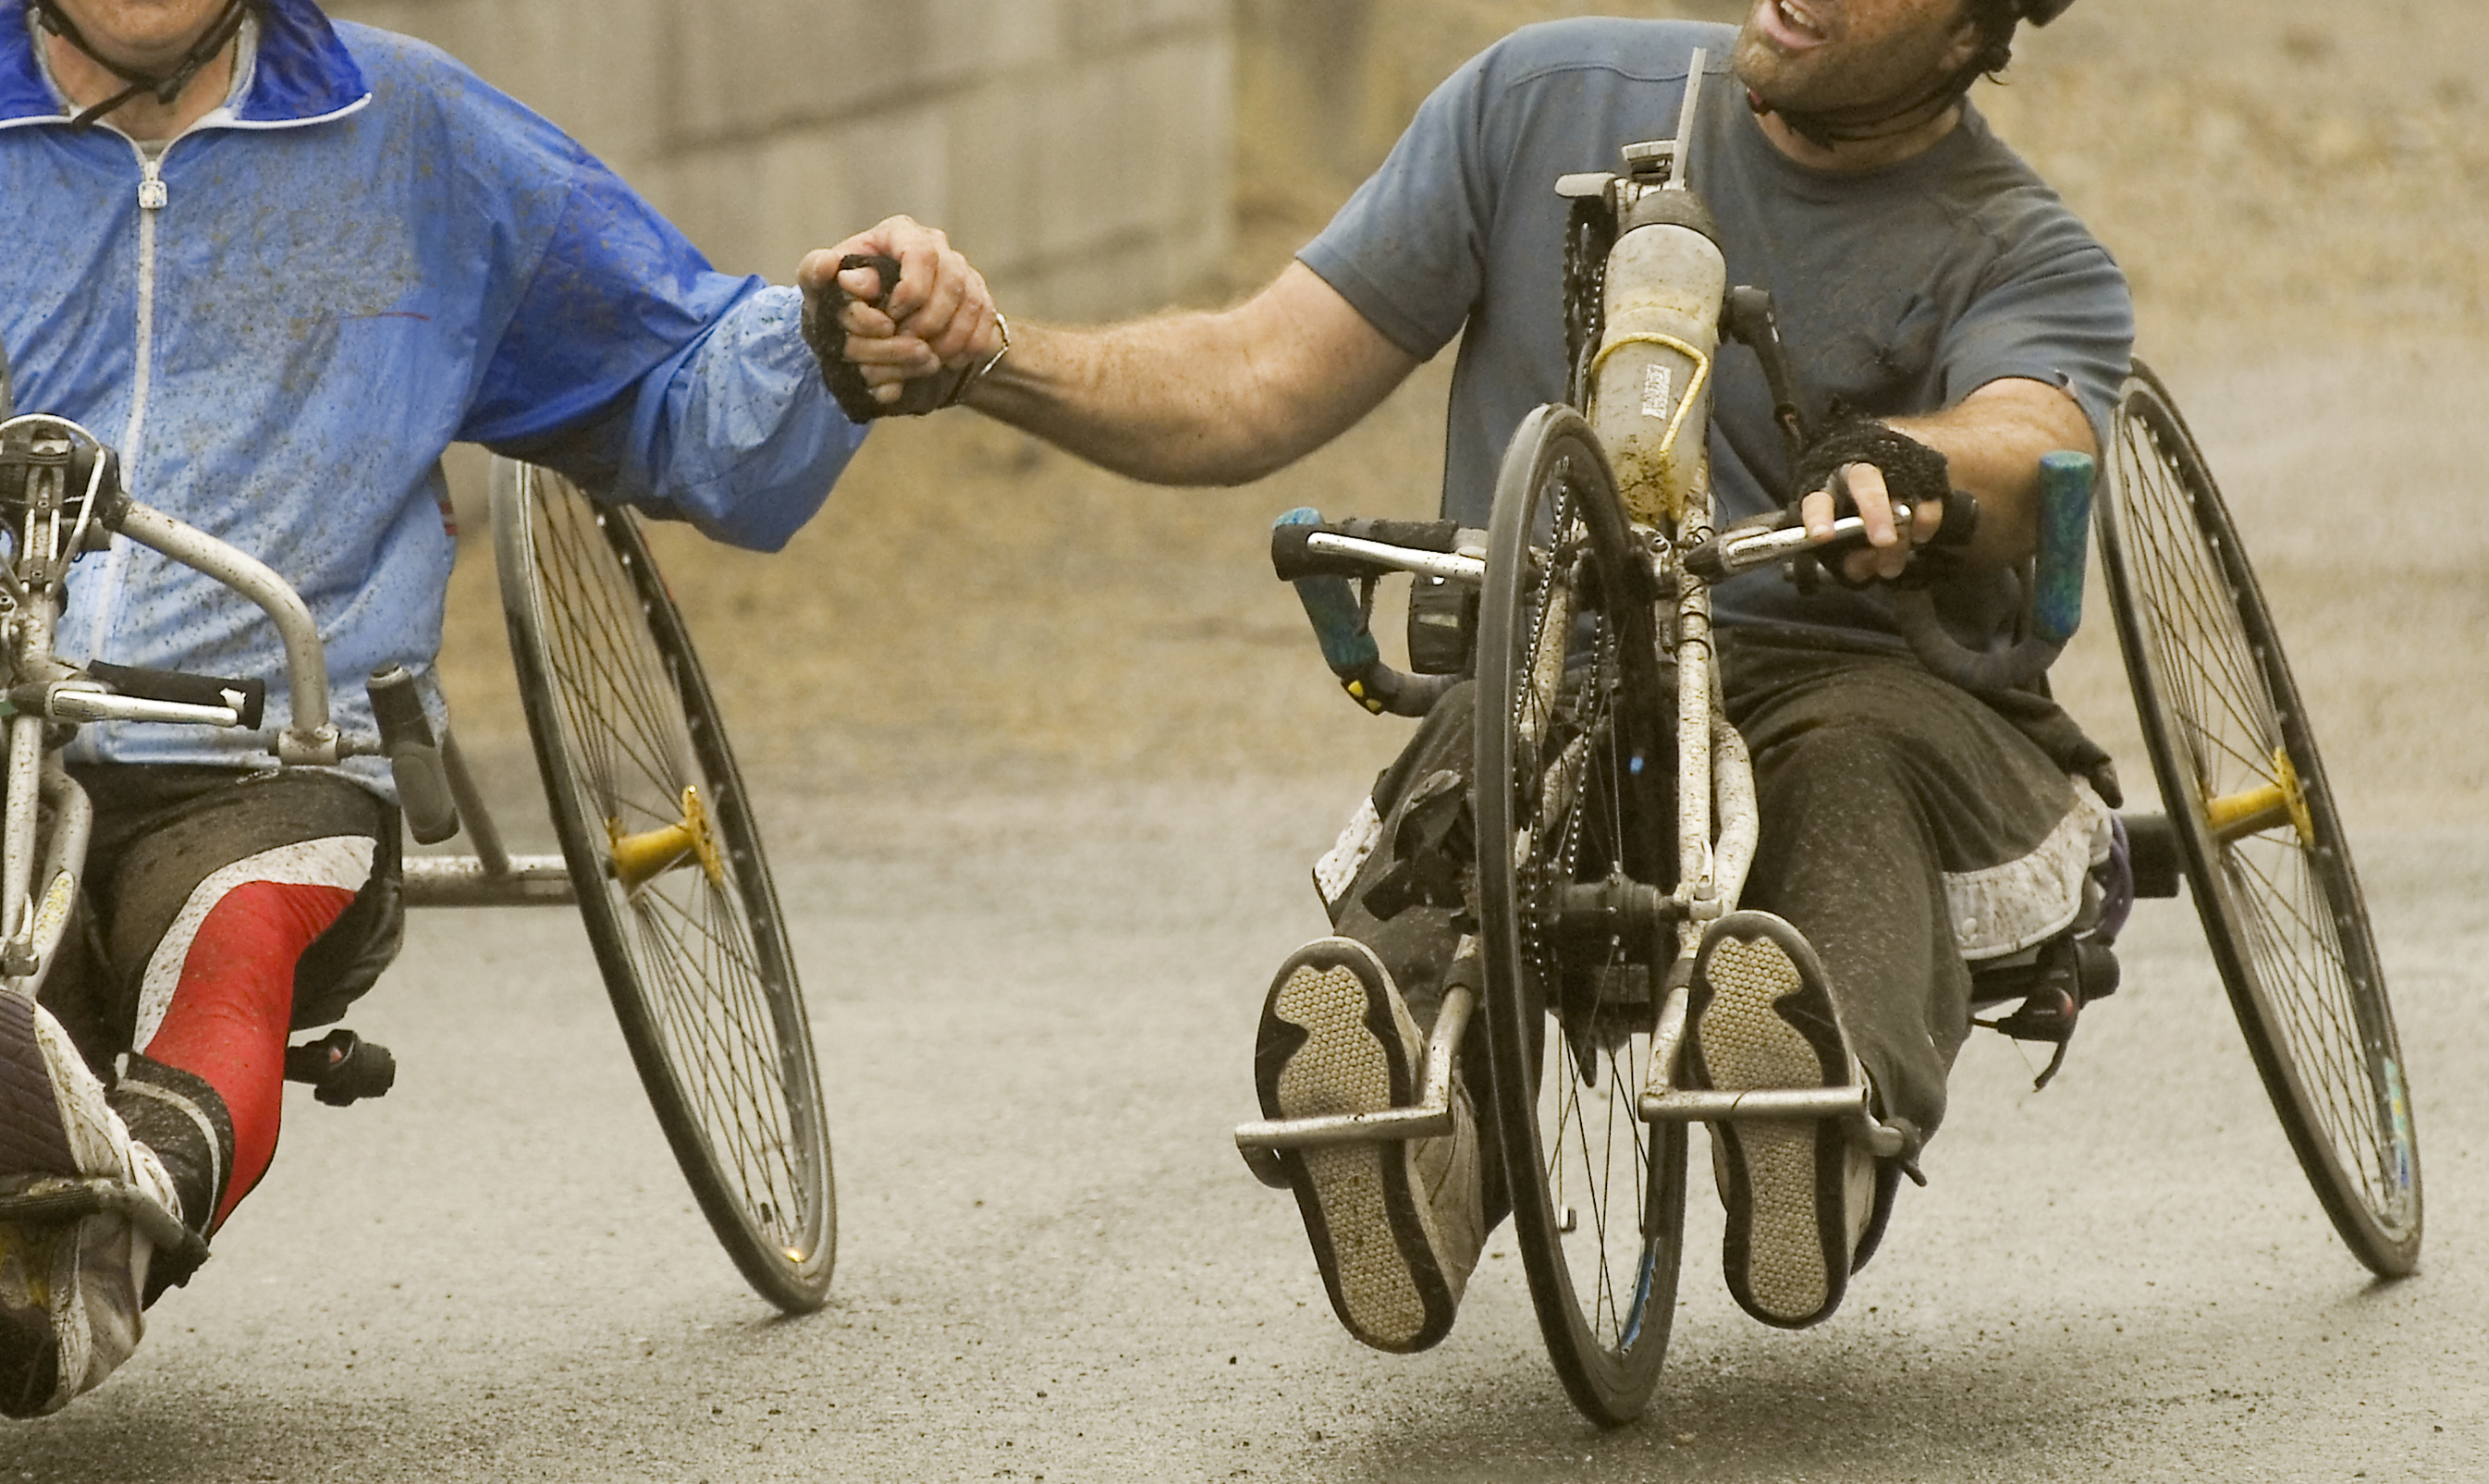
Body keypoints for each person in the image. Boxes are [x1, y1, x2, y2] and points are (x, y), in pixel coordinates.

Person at [0, 0, 877, 1417]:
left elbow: (678, 375)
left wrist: (836, 338)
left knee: (233, 925)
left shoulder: (423, 140)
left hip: (264, 747)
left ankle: (96, 1227)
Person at [797, 0, 2128, 1350]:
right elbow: (1253, 376)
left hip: (1853, 679)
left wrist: (1915, 464)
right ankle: (1405, 1146)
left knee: (1851, 784)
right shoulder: (1538, 100)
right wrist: (988, 354)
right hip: (1560, 656)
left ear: (1975, 30)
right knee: (1470, 790)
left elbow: (2027, 432)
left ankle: (1812, 1134)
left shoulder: (2024, 249)